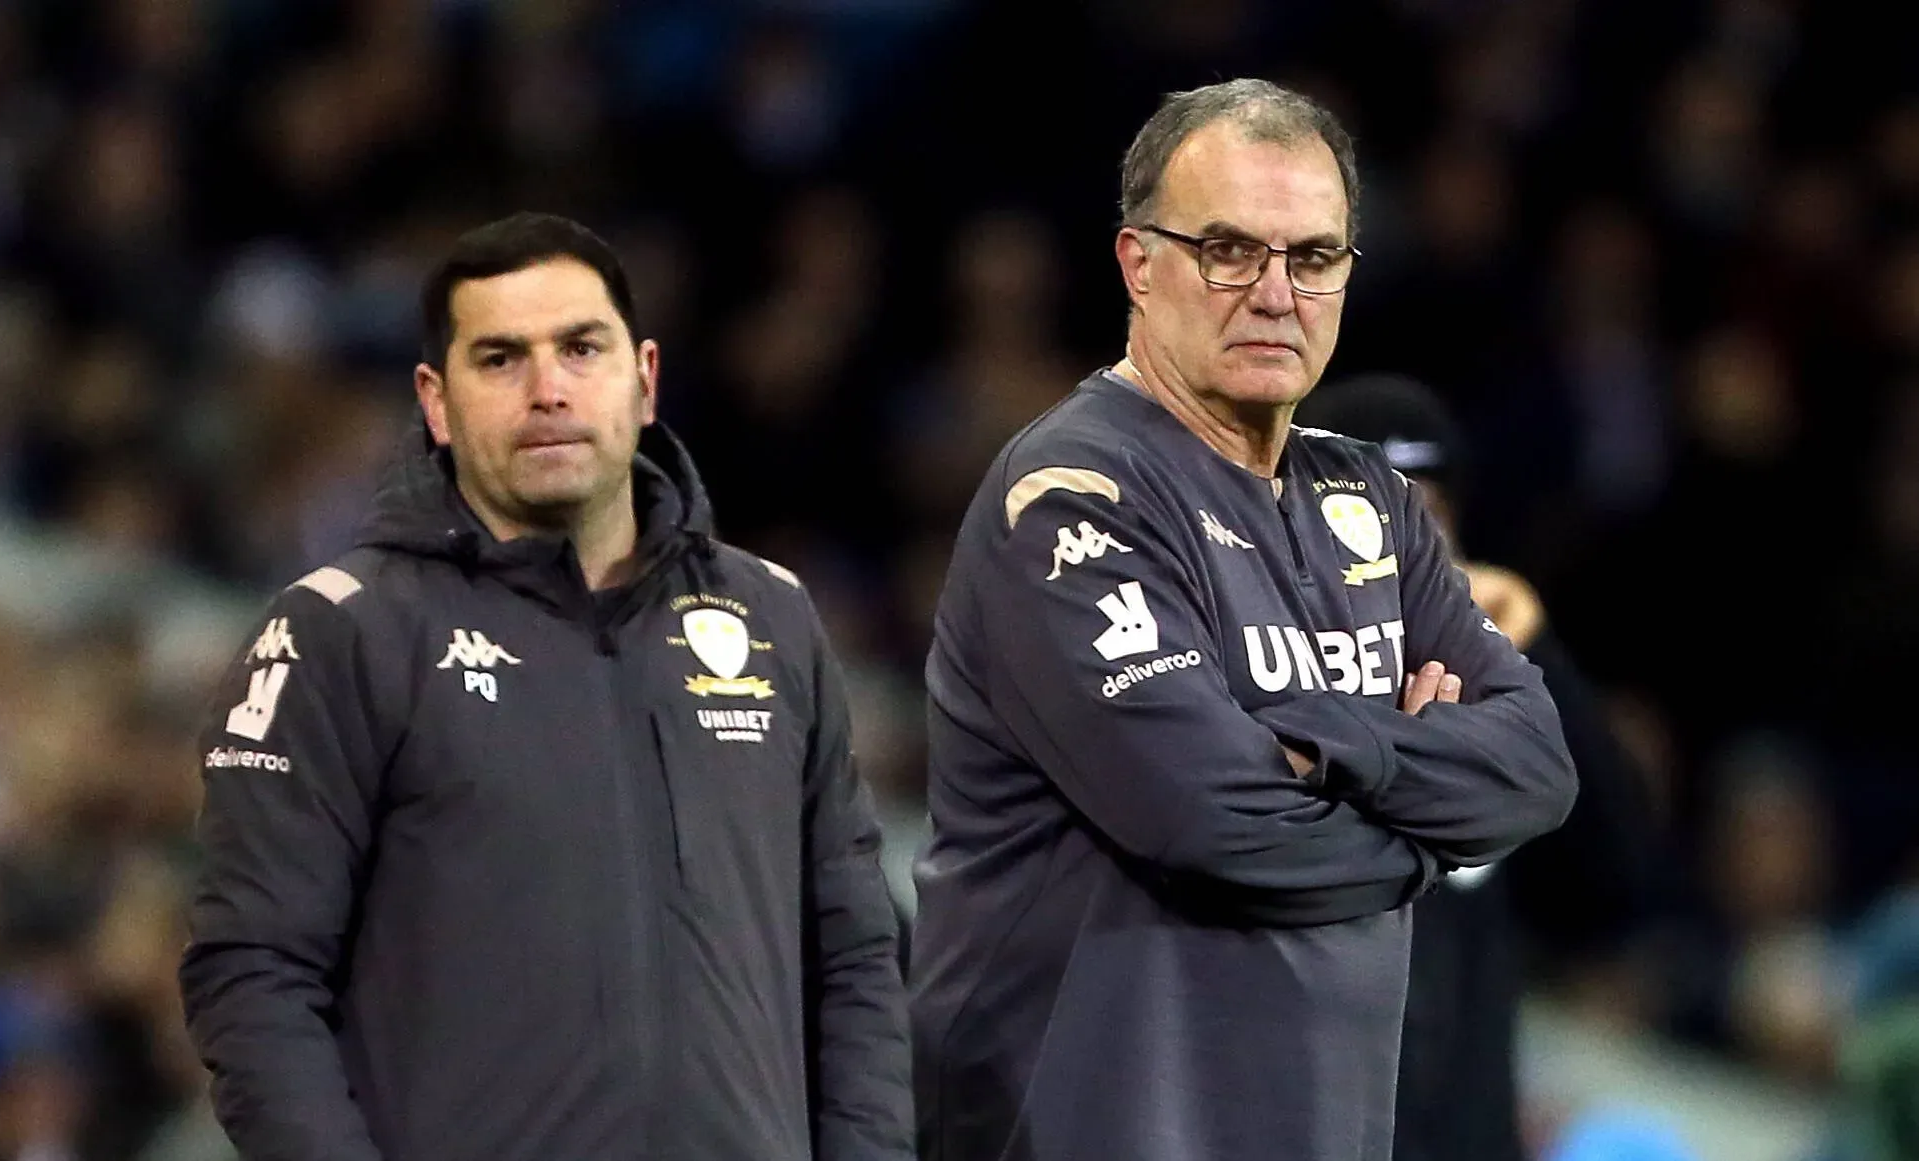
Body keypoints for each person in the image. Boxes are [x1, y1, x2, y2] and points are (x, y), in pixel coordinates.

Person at [907, 79, 1579, 1161]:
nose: (1274, 294)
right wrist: (1424, 832)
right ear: (1136, 264)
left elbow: (1536, 768)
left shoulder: (1371, 499)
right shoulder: (1074, 493)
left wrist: (1323, 745)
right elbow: (1214, 828)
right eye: (1227, 250)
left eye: (1311, 258)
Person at [179, 212, 913, 1161]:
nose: (548, 389)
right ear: (436, 404)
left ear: (644, 379)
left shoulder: (771, 620)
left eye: (580, 348)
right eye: (500, 359)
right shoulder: (344, 630)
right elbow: (254, 975)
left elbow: (856, 959)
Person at [1297, 372, 1671, 1161]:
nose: (1395, 547)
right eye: (1366, 514)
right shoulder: (1245, 687)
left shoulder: (1491, 714)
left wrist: (1532, 653)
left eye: (1425, 517)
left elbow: (1614, 888)